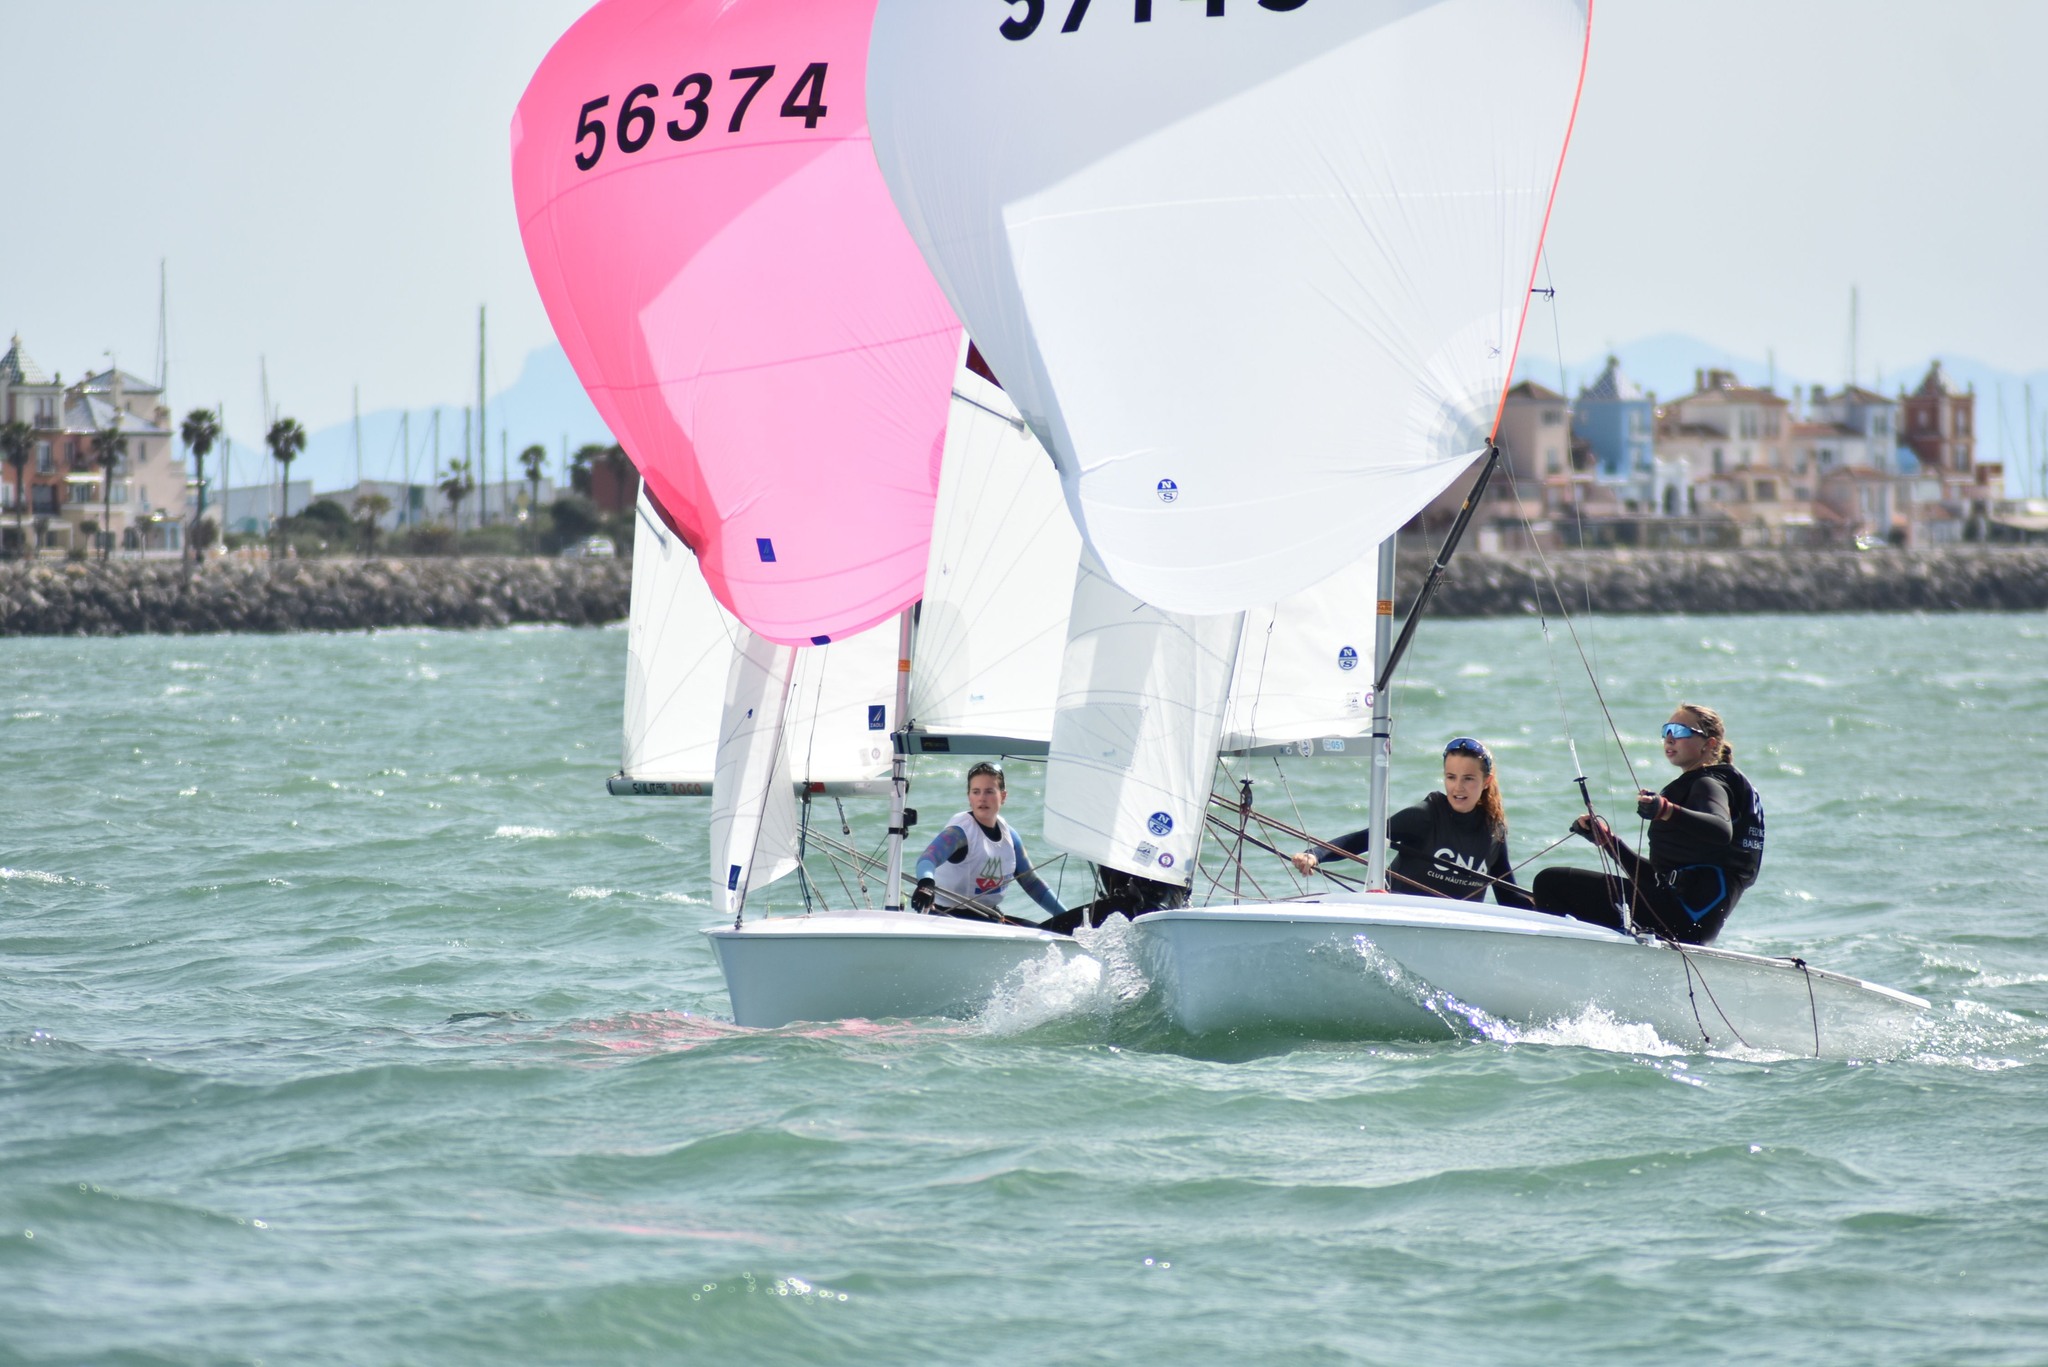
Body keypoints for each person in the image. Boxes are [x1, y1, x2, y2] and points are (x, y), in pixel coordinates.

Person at [1531, 703, 1765, 944]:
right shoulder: (1702, 790)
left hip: (1682, 919)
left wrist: (1665, 809)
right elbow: (1654, 878)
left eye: (1682, 731)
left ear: (1711, 743)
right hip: (1681, 920)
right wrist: (1609, 842)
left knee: (1551, 884)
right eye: (1667, 730)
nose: (1671, 738)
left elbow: (1720, 829)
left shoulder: (1709, 784)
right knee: (1552, 890)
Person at [1291, 737, 1535, 908]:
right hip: (1403, 917)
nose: (1457, 787)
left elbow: (1507, 895)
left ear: (1486, 780)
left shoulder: (1494, 829)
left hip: (1457, 928)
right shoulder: (1425, 816)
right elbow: (1365, 838)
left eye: (1468, 778)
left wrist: (1551, 909)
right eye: (1451, 777)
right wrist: (1315, 855)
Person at [910, 762, 1068, 925]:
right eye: (976, 792)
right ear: (969, 797)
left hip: (988, 917)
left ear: (1003, 796)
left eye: (989, 791)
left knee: (1047, 934)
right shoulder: (959, 833)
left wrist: (1067, 918)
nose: (982, 798)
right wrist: (925, 883)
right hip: (947, 918)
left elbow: (1033, 885)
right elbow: (928, 859)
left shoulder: (1010, 837)